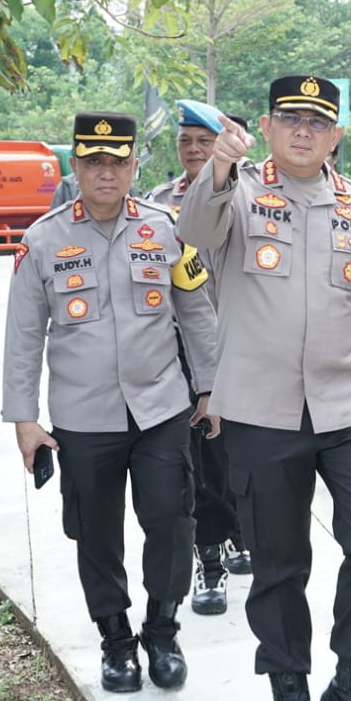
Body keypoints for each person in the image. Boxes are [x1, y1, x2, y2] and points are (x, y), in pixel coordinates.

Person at [177, 74, 351, 701]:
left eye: (318, 120)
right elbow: (194, 231)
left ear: (337, 134)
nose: (304, 130)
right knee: (279, 563)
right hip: (261, 412)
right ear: (269, 124)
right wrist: (221, 164)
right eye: (291, 118)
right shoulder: (239, 194)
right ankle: (291, 699)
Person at [3, 112, 220, 696]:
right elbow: (23, 337)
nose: (106, 172)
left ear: (133, 167)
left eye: (117, 162)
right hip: (82, 416)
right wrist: (24, 418)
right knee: (96, 532)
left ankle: (162, 630)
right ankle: (117, 641)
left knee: (172, 522)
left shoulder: (168, 228)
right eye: (93, 162)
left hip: (161, 408)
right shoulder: (43, 239)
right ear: (76, 167)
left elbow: (197, 314)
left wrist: (211, 389)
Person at [148, 99, 252, 615]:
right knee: (200, 460)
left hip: (245, 348)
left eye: (204, 142)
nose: (193, 150)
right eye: (185, 141)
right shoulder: (156, 203)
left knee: (240, 458)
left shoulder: (249, 196)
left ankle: (239, 533)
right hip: (184, 354)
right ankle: (208, 561)